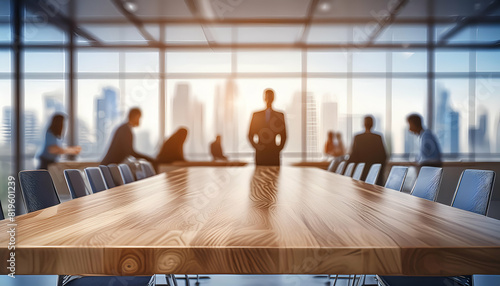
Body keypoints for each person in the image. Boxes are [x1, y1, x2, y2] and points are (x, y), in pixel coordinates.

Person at [248, 88, 287, 166]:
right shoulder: (256, 115)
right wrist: (257, 147)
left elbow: (284, 135)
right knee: (259, 176)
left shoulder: (279, 115)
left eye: (271, 97)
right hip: (260, 153)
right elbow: (250, 134)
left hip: (274, 153)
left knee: (274, 176)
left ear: (273, 98)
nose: (269, 99)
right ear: (264, 98)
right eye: (267, 97)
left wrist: (278, 149)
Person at [346, 115, 387, 184]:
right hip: (375, 175)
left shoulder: (357, 137)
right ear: (373, 124)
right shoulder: (378, 137)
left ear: (363, 124)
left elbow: (353, 156)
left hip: (360, 175)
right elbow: (383, 156)